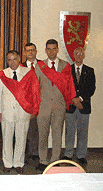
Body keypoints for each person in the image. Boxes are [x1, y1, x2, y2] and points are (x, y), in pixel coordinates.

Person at [34, 39, 76, 171]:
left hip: (59, 105)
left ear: (57, 49)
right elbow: (35, 87)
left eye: (54, 48)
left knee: (57, 134)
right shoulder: (40, 66)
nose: (51, 51)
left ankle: (55, 160)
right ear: (45, 50)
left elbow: (69, 86)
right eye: (49, 49)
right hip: (43, 106)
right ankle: (43, 160)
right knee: (43, 134)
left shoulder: (66, 65)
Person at [0, 50, 41, 174]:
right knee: (7, 138)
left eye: (14, 59)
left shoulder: (28, 73)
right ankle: (7, 163)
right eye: (9, 60)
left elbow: (34, 93)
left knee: (21, 138)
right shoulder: (2, 74)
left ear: (19, 59)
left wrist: (33, 109)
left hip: (23, 111)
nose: (12, 62)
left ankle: (19, 163)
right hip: (7, 111)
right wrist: (0, 111)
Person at [62, 47, 96, 165]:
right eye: (77, 53)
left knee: (83, 132)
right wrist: (73, 100)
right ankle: (68, 154)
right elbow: (65, 87)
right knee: (69, 131)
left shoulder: (89, 70)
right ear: (73, 55)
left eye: (82, 54)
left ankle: (81, 155)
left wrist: (80, 99)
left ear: (84, 55)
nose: (79, 56)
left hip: (84, 106)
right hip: (70, 106)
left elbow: (91, 89)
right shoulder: (67, 69)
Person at [22, 43, 41, 161]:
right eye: (28, 50)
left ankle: (35, 153)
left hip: (39, 102)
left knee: (36, 129)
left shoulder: (42, 66)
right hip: (23, 103)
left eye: (33, 50)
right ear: (24, 53)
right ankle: (23, 154)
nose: (30, 52)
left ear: (36, 51)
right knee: (23, 129)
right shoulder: (20, 66)